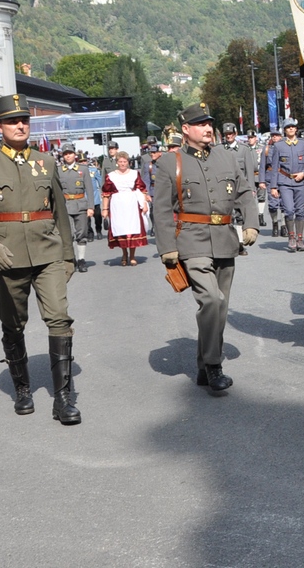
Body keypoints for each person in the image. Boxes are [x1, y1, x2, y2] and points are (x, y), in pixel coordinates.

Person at [0, 94, 81, 425]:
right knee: (14, 323)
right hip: (7, 255)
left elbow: (59, 210)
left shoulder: (46, 161)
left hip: (48, 253)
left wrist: (68, 255)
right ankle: (23, 389)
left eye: (25, 120)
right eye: (13, 121)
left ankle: (63, 398)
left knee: (59, 318)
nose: (20, 125)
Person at [151, 103, 257, 395]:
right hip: (191, 240)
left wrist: (251, 223)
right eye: (200, 124)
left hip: (224, 238)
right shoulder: (169, 162)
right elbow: (160, 209)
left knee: (220, 307)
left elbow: (245, 191)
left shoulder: (227, 156)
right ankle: (213, 365)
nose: (208, 128)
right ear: (186, 129)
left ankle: (201, 367)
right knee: (211, 300)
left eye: (210, 123)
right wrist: (167, 248)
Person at [263, 119, 304, 252]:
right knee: (289, 210)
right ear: (284, 130)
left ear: (296, 129)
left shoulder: (303, 145)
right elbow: (275, 168)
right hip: (285, 182)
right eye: (288, 127)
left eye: (293, 127)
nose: (291, 129)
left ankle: (300, 239)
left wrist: (303, 173)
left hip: (300, 182)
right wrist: (273, 187)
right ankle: (291, 237)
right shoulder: (279, 146)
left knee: (300, 211)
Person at [103, 151, 149, 265]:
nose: (122, 164)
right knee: (121, 230)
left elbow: (142, 189)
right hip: (117, 205)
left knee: (132, 229)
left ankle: (132, 255)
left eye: (124, 161)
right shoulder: (111, 176)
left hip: (132, 203)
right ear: (117, 163)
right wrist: (105, 209)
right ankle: (124, 253)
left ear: (128, 162)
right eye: (120, 162)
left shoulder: (134, 173)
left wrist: (144, 204)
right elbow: (106, 194)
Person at [55, 146, 93, 273]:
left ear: (74, 155)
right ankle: (72, 259)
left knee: (81, 233)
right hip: (65, 205)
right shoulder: (58, 170)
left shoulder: (83, 169)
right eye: (65, 154)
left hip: (80, 205)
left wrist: (90, 207)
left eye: (70, 153)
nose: (68, 156)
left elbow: (89, 189)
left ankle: (81, 260)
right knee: (68, 234)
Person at [221, 122, 256, 255]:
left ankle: (240, 244)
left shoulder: (244, 149)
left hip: (240, 188)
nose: (228, 136)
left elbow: (249, 170)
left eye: (231, 134)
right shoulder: (220, 149)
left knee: (240, 216)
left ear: (235, 134)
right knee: (228, 216)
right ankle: (231, 243)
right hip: (224, 188)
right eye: (226, 134)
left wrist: (251, 188)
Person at [261, 127, 284, 237]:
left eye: (277, 135)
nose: (274, 137)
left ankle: (284, 226)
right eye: (273, 135)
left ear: (281, 136)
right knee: (273, 204)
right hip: (270, 178)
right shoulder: (267, 149)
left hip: (284, 178)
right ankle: (275, 224)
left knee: (285, 204)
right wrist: (262, 180)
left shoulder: (286, 148)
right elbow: (262, 166)